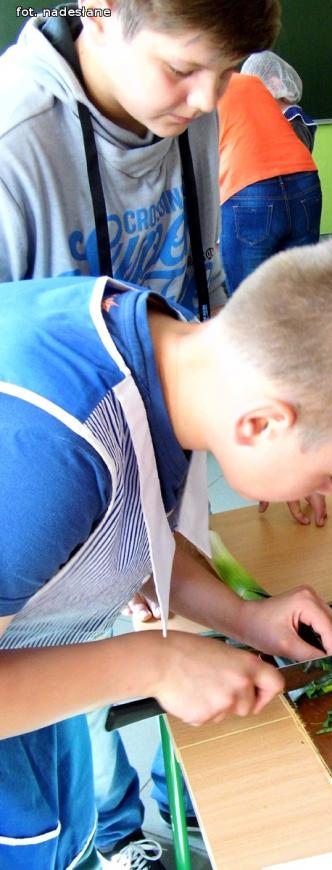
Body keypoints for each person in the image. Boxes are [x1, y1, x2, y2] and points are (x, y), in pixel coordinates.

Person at [0, 235, 332, 870]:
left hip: (32, 662)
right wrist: (151, 665)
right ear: (263, 424)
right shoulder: (52, 451)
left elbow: (129, 528)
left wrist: (242, 616)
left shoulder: (181, 357)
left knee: (57, 830)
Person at [0, 0, 281, 866]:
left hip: (129, 488)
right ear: (100, 8)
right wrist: (150, 662)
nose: (206, 100)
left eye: (227, 73)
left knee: (66, 755)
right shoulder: (16, 142)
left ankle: (103, 833)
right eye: (183, 69)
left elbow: (199, 300)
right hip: (43, 493)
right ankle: (118, 834)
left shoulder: (188, 116)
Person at [217, 70, 322, 296]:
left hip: (249, 186)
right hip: (304, 178)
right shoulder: (252, 82)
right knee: (301, 293)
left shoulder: (201, 89)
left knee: (250, 302)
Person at [241, 50, 317, 151]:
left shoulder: (295, 124)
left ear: (273, 85)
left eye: (256, 89)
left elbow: (298, 164)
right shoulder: (272, 119)